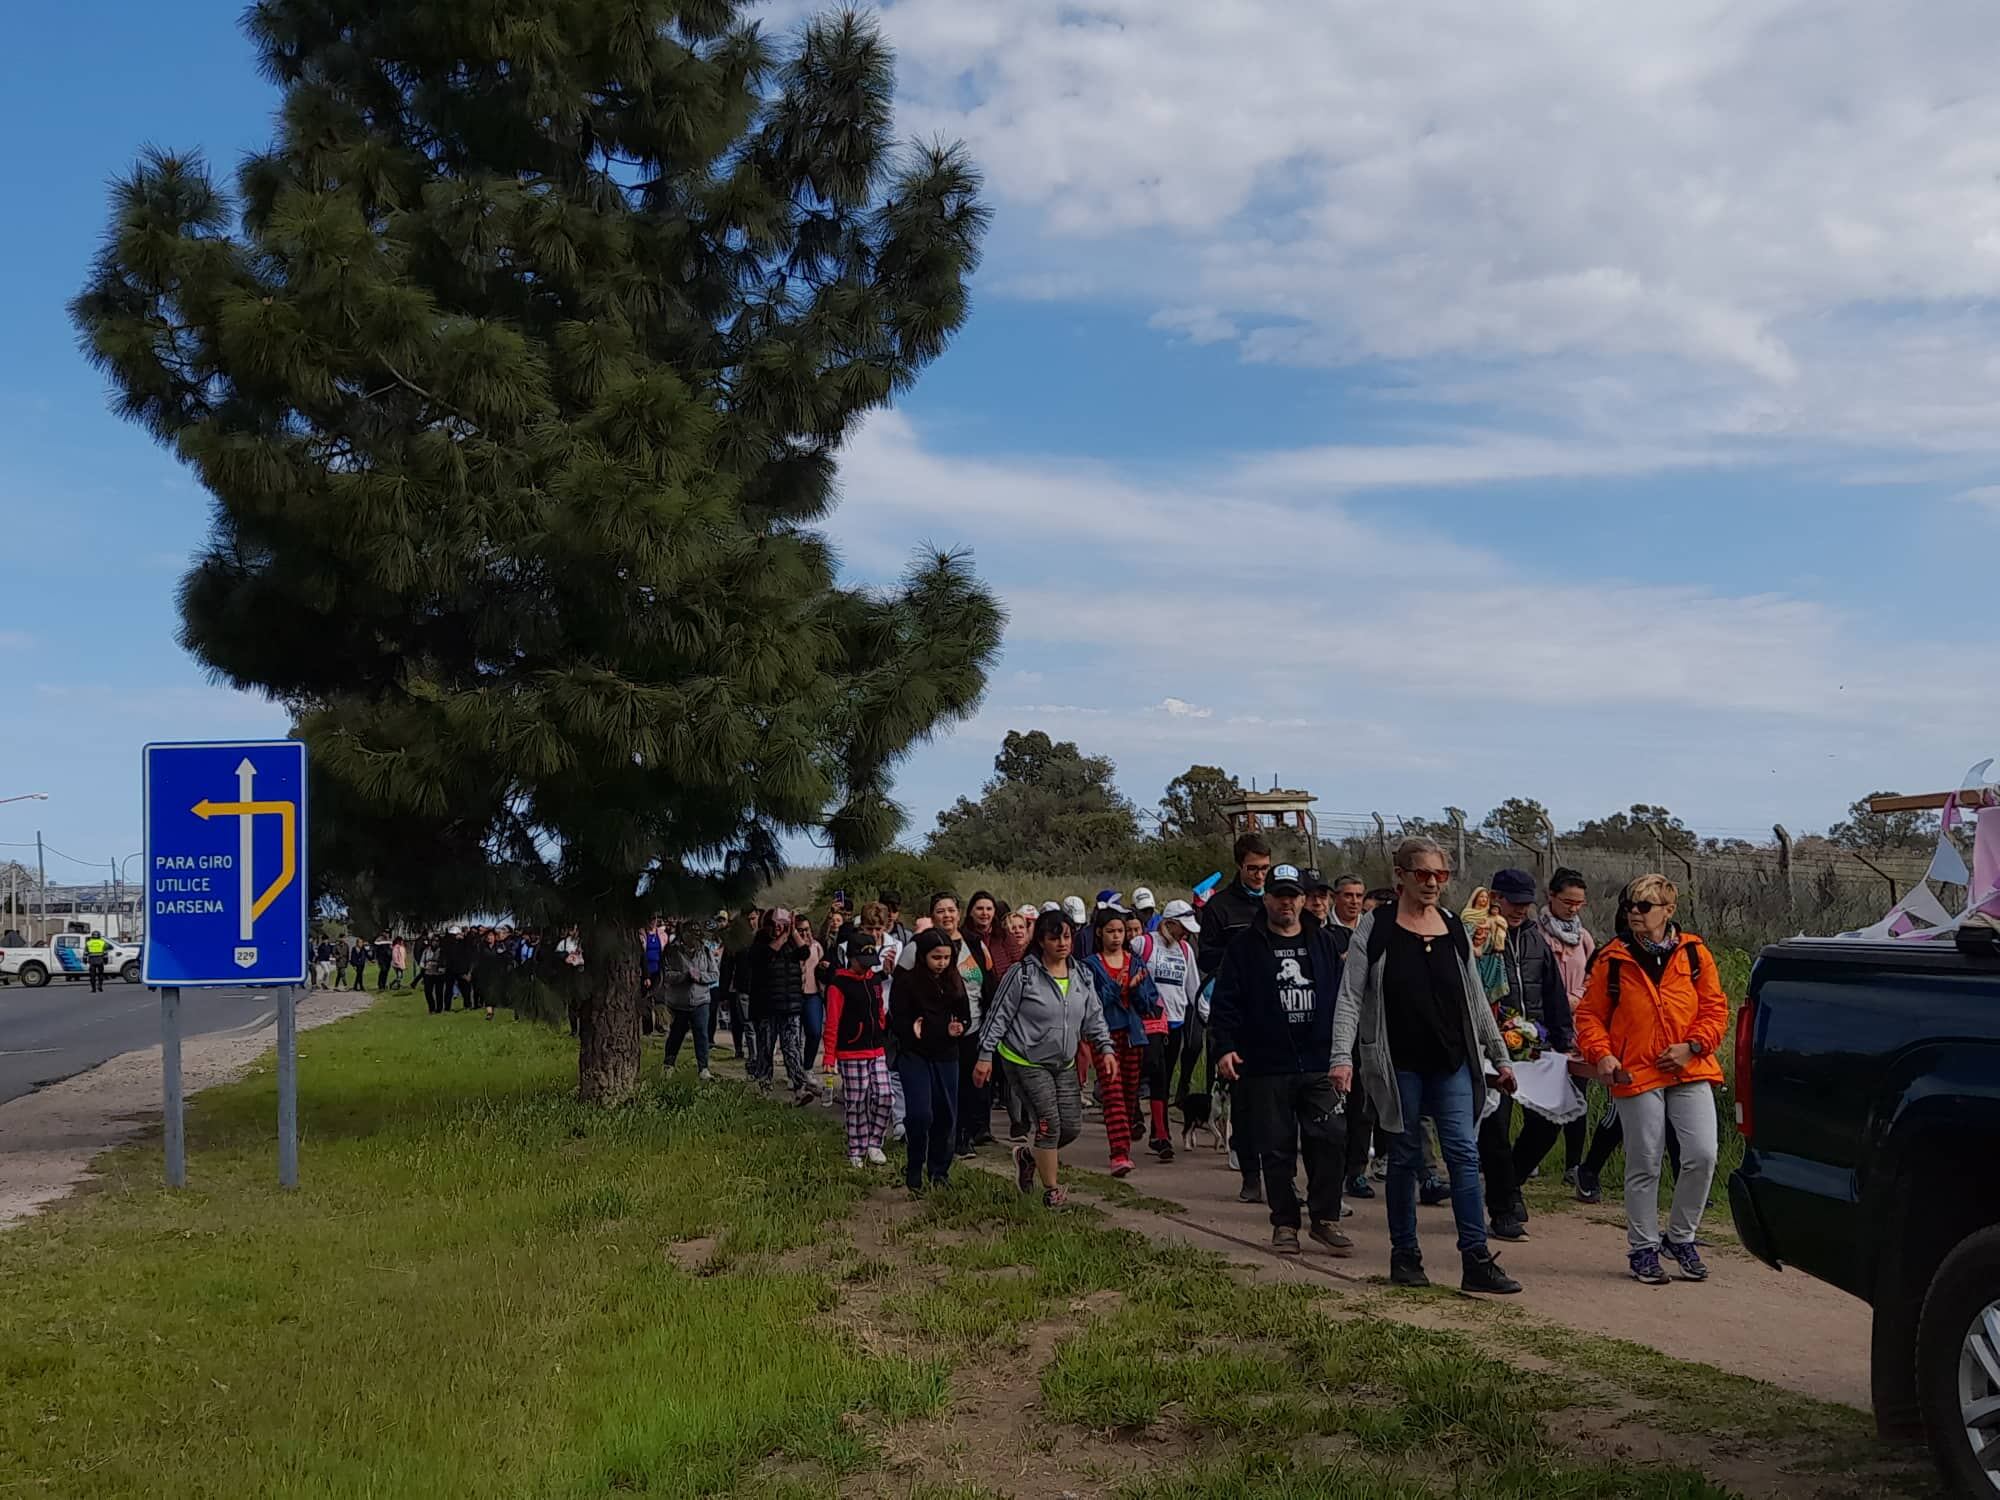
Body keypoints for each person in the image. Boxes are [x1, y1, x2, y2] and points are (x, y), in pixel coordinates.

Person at [1331, 836, 1522, 1295]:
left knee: (1463, 1153)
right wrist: (1341, 1058)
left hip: (1453, 1060)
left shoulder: (1454, 926)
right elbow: (1351, 996)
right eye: (1423, 874)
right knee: (1406, 1157)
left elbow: (1475, 996)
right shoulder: (1374, 929)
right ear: (1401, 876)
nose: (1433, 883)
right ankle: (1405, 1255)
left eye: (1441, 875)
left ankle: (1476, 1259)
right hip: (1398, 1065)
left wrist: (1499, 1056)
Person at [1571, 874, 1726, 1285]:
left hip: (1688, 1067)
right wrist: (1601, 1054)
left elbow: (1715, 1009)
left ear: (1668, 911)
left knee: (1702, 1153)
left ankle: (1680, 1237)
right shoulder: (1612, 958)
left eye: (1644, 906)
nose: (1634, 914)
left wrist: (1692, 1046)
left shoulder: (1695, 954)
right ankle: (1643, 1247)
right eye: (1630, 906)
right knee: (1646, 1160)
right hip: (1635, 1070)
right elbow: (1588, 1015)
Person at [1211, 863, 1352, 1256]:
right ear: (1267, 898)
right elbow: (1225, 1002)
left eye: (1294, 895)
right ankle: (1285, 1223)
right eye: (1279, 895)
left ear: (1304, 900)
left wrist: (1344, 1054)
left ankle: (1324, 1219)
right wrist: (1224, 1047)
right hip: (1266, 1063)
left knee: (1331, 1139)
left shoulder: (1322, 943)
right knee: (1276, 1147)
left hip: (1319, 1061)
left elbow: (1344, 1001)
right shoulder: (1244, 947)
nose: (1286, 902)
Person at [976, 910, 1118, 1209]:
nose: (1062, 943)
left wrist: (1105, 1048)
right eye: (1054, 938)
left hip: (1063, 1062)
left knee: (1070, 1126)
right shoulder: (1022, 973)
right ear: (1040, 940)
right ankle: (1051, 1193)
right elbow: (998, 1016)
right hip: (1024, 1059)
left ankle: (1028, 1156)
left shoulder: (1081, 974)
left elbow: (1093, 1016)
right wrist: (985, 1055)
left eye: (1066, 936)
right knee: (1048, 1124)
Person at [1478, 867, 1574, 1240]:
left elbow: (1553, 992)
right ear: (1494, 898)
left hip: (1534, 1046)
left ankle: (1510, 1184)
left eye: (1525, 904)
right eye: (1513, 903)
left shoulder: (1536, 941)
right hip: (1490, 1049)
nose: (1519, 911)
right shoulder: (1477, 937)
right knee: (1495, 1128)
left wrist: (1563, 1038)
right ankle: (1502, 1211)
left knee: (1550, 1122)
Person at [1198, 833, 1275, 1199]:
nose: (1260, 876)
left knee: (1279, 1099)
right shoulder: (1220, 908)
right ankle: (1250, 1174)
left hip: (1278, 1014)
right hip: (1238, 1012)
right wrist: (1240, 953)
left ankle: (1281, 1174)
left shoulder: (1280, 901)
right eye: (1253, 869)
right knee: (1244, 1098)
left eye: (1265, 868)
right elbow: (1205, 958)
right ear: (1239, 866)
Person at [896, 893, 994, 1156]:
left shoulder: (975, 945)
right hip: (931, 1034)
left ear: (959, 914)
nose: (947, 915)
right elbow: (900, 987)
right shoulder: (916, 947)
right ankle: (929, 1138)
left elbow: (989, 982)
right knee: (937, 1092)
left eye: (951, 910)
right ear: (932, 915)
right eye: (940, 911)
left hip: (972, 1027)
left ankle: (962, 1136)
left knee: (968, 1087)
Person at [889, 928, 971, 1193]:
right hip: (914, 1054)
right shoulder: (907, 982)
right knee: (920, 1114)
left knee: (946, 1115)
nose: (942, 963)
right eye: (936, 957)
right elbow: (899, 1021)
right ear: (923, 956)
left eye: (947, 957)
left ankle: (939, 1172)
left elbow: (964, 1015)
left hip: (947, 1055)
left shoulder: (953, 980)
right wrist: (916, 1030)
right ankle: (914, 1166)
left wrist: (960, 1028)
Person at [1082, 906, 1161, 1176]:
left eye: (1120, 931)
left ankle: (1124, 1143)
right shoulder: (1091, 965)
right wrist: (1120, 986)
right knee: (1112, 1092)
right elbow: (1095, 1002)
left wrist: (1137, 988)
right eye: (1110, 931)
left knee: (1129, 1094)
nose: (1116, 936)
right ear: (1100, 933)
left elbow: (1148, 1003)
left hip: (1133, 1034)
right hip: (1105, 1035)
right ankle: (1119, 1153)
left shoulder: (1136, 961)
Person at [1538, 868, 1597, 1186]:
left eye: (1579, 903)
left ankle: (1574, 1164)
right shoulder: (1537, 933)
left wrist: (1577, 998)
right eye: (1567, 901)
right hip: (1542, 1025)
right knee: (1539, 1093)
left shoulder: (1584, 938)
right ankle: (1531, 1156)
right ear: (1551, 896)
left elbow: (1593, 977)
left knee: (1577, 1095)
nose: (1573, 908)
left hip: (1575, 1026)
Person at [824, 939, 894, 1167]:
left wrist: (881, 1026)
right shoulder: (839, 984)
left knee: (884, 1095)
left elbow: (879, 1005)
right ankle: (857, 1147)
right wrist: (829, 1056)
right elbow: (832, 1022)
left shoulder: (873, 979)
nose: (866, 967)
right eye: (862, 962)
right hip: (851, 1051)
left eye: (870, 963)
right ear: (851, 958)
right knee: (856, 1100)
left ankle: (875, 1142)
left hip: (876, 1048)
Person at [1140, 900, 1205, 1121]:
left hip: (1176, 1021)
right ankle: (1139, 1116)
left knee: (1165, 1074)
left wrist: (1208, 1016)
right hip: (1150, 1020)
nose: (1186, 932)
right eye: (1183, 927)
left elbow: (1194, 988)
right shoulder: (1144, 943)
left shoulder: (1185, 950)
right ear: (1170, 923)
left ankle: (1160, 1126)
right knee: (1152, 1068)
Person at [746, 909, 815, 1102]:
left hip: (790, 1005)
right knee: (766, 1048)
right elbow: (765, 956)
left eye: (781, 925)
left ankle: (799, 1088)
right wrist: (783, 937)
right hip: (766, 1006)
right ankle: (764, 1087)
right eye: (774, 925)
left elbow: (805, 952)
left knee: (792, 1048)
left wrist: (793, 932)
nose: (778, 929)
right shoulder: (759, 943)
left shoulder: (792, 943)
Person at [661, 925, 718, 1079]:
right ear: (683, 934)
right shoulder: (672, 951)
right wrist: (684, 976)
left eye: (697, 934)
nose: (694, 938)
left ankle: (703, 1068)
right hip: (679, 1002)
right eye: (690, 934)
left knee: (702, 1034)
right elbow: (666, 975)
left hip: (701, 1000)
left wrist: (700, 977)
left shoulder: (705, 951)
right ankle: (668, 1065)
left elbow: (714, 975)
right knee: (676, 1034)